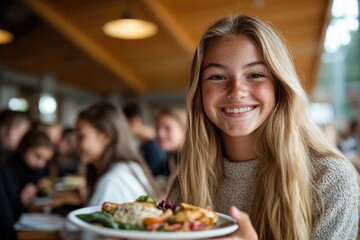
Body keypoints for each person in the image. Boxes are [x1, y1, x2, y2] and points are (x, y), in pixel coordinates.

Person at [166, 15, 359, 240]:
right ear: (199, 92)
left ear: (280, 85)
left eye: (255, 75)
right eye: (217, 76)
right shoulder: (188, 179)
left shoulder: (330, 179)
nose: (237, 90)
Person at [75, 102, 162, 206]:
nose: (75, 143)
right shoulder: (128, 166)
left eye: (81, 136)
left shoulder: (112, 180)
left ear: (106, 137)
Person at [0, 130, 55, 240]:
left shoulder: (33, 169)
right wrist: (21, 201)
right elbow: (6, 218)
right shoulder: (7, 170)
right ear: (25, 147)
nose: (41, 164)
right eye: (37, 156)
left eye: (45, 160)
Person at [123, 102, 166, 177]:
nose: (121, 129)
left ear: (135, 121)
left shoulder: (156, 145)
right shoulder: (146, 144)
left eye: (123, 124)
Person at [155, 107, 186, 177]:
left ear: (184, 131)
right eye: (157, 128)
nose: (160, 134)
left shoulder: (195, 162)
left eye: (167, 128)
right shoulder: (165, 164)